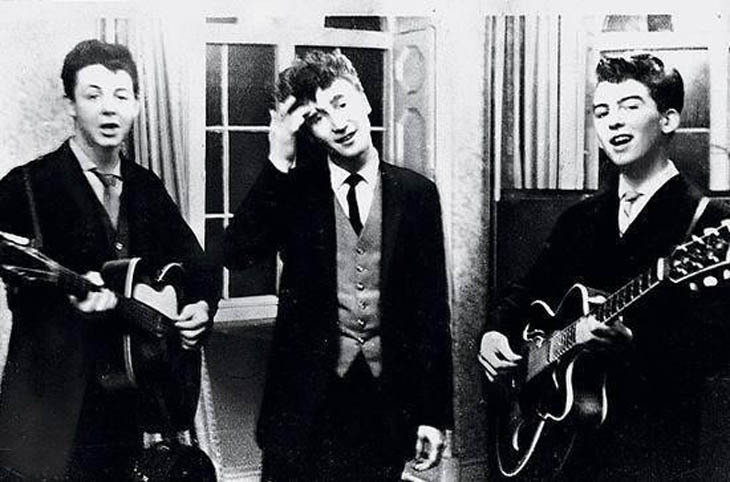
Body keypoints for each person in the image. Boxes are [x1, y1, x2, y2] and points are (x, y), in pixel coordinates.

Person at [479, 52, 730, 480]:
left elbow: (717, 347)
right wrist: (496, 331)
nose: (613, 121)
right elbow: (526, 291)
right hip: (564, 443)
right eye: (601, 110)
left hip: (653, 447)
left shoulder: (706, 222)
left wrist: (633, 341)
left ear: (668, 120)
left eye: (631, 105)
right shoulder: (580, 217)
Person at [224, 50, 453, 481]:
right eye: (318, 117)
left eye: (342, 103)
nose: (339, 123)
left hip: (385, 407)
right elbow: (237, 254)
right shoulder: (294, 192)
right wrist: (277, 158)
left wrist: (432, 413)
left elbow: (432, 312)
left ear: (365, 100)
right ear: (308, 131)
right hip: (303, 410)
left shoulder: (417, 194)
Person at [0, 39, 219, 480]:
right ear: (70, 105)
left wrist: (199, 307)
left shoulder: (146, 186)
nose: (108, 109)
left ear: (137, 104)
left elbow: (197, 267)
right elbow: (21, 291)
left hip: (126, 408)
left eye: (121, 96)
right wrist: (66, 303)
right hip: (48, 407)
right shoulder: (24, 186)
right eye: (93, 95)